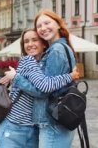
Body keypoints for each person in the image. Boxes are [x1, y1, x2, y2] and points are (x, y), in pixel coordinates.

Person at [0, 29, 79, 148]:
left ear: (44, 43)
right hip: (14, 127)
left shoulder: (43, 64)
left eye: (34, 40)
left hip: (33, 129)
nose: (30, 44)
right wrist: (70, 76)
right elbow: (44, 87)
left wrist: (15, 76)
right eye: (26, 41)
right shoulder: (28, 60)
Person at [13, 9, 78, 148]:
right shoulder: (60, 47)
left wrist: (17, 78)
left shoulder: (56, 50)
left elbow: (44, 89)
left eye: (47, 23)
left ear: (59, 24)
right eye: (39, 26)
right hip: (57, 119)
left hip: (51, 121)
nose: (43, 28)